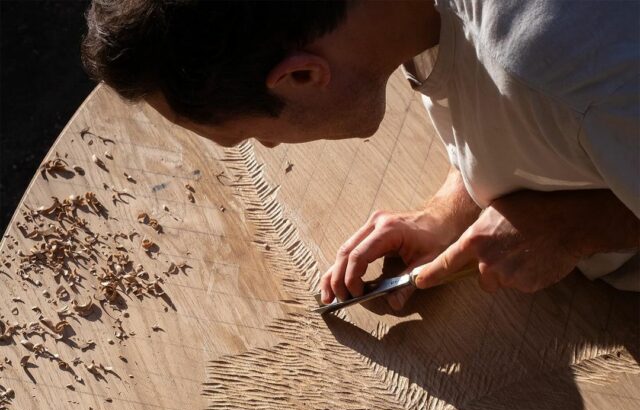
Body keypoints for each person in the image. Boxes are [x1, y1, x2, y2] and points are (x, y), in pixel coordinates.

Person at [82, 0, 640, 309]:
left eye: (254, 136)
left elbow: (563, 95)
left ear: (301, 74)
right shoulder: (388, 16)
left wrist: (575, 228)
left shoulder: (569, 68)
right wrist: (454, 205)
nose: (271, 147)